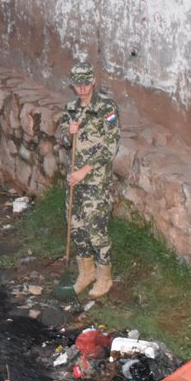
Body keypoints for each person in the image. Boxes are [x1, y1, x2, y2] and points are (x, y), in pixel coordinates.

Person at [62, 62, 120, 298]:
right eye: (78, 85)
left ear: (93, 82)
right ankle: (86, 273)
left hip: (94, 179)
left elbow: (112, 144)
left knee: (95, 229)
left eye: (86, 84)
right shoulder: (71, 108)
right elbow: (65, 143)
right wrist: (69, 132)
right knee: (76, 227)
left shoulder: (107, 107)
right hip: (74, 179)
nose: (82, 89)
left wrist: (86, 169)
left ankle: (104, 277)